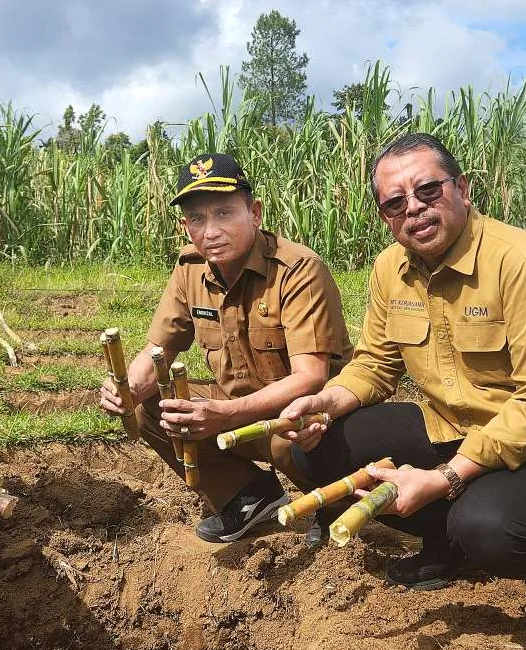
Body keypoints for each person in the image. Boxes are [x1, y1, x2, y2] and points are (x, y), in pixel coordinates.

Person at [279, 133, 526, 640]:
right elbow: (374, 365)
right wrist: (324, 400)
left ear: (462, 188)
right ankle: (447, 546)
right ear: (384, 217)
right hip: (454, 426)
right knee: (316, 451)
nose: (413, 209)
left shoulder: (523, 262)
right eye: (395, 203)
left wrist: (444, 478)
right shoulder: (388, 269)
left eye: (428, 191)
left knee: (487, 526)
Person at [98, 153, 352, 543]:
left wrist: (225, 414)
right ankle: (248, 496)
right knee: (153, 403)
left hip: (310, 412)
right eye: (197, 219)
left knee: (295, 434)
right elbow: (158, 351)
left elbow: (311, 377)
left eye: (223, 213)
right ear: (185, 227)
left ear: (254, 213)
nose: (210, 230)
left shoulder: (298, 270)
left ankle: (330, 502)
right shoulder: (189, 269)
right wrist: (127, 388)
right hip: (235, 405)